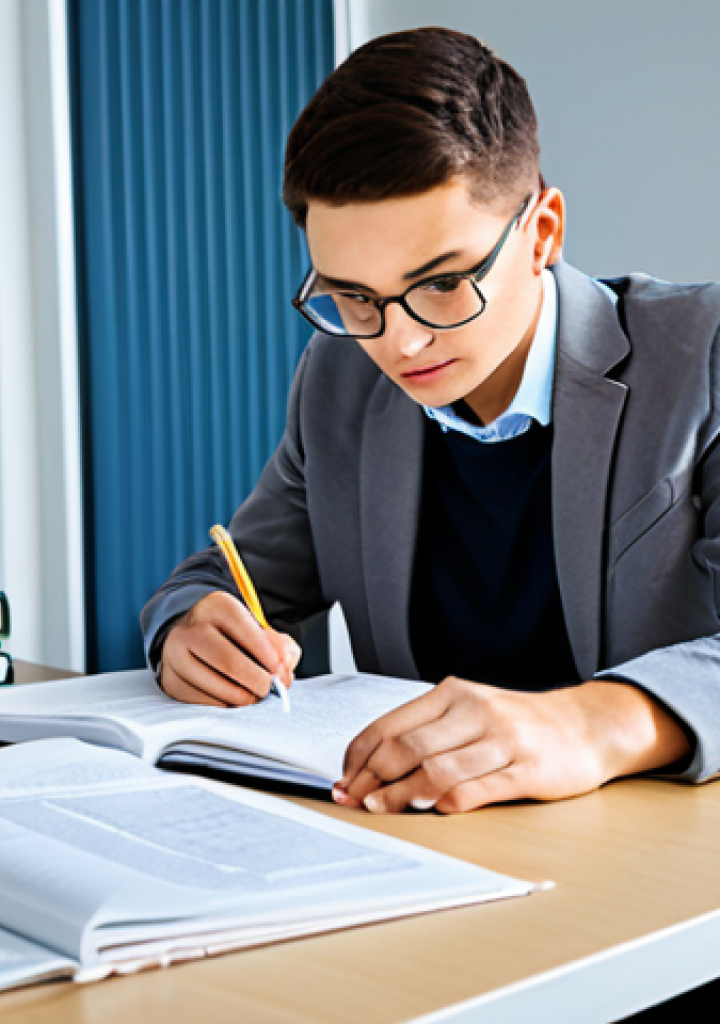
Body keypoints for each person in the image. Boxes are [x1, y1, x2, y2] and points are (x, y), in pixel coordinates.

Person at [140, 26, 720, 815]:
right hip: (432, 843)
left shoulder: (702, 356)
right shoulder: (339, 377)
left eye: (442, 284)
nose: (399, 341)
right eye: (352, 296)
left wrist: (588, 725)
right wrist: (190, 629)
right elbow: (226, 579)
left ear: (542, 231)